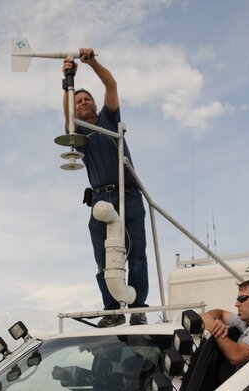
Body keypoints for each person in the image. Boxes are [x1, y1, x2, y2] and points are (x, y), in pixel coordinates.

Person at [62, 49, 148, 328]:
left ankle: (137, 308)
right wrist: (67, 78)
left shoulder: (109, 121)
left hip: (128, 194)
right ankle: (111, 310)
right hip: (100, 199)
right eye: (79, 101)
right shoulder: (78, 132)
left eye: (87, 99)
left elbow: (111, 85)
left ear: (95, 104)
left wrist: (91, 63)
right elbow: (66, 111)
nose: (84, 102)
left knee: (136, 253)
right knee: (103, 258)